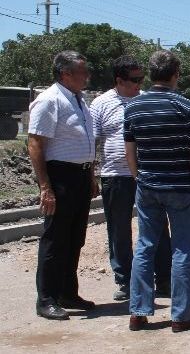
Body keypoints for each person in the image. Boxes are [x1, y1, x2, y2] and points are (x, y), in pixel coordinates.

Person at [124, 50, 190, 332]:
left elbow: (130, 150)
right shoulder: (185, 106)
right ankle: (181, 316)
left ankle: (138, 312)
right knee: (182, 250)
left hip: (148, 187)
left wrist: (140, 178)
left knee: (145, 247)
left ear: (150, 74)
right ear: (176, 74)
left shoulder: (134, 107)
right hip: (180, 189)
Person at [90, 55, 172, 302]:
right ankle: (125, 280)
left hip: (148, 175)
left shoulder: (146, 100)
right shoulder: (101, 104)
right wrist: (91, 174)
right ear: (119, 80)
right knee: (119, 230)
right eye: (134, 80)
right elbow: (92, 142)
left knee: (157, 226)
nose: (139, 84)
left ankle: (164, 279)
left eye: (141, 78)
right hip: (116, 176)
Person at [28, 50, 99, 320]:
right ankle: (46, 298)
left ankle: (68, 292)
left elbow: (86, 142)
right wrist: (45, 187)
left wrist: (90, 175)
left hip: (80, 176)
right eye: (83, 72)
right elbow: (35, 143)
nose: (87, 76)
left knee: (75, 239)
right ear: (65, 74)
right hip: (60, 177)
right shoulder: (49, 100)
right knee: (55, 240)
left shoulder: (80, 101)